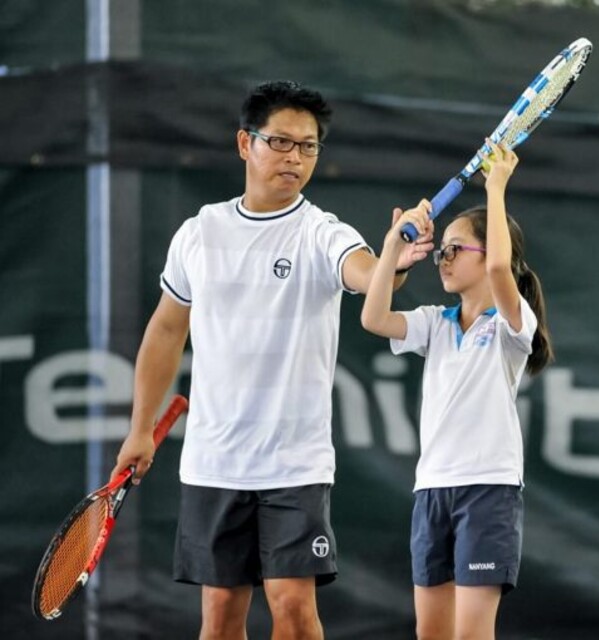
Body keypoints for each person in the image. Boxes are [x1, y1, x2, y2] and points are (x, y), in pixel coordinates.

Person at [110, 80, 431, 640]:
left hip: (294, 463)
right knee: (219, 615)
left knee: (293, 609)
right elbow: (165, 329)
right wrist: (140, 429)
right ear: (245, 143)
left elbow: (364, 272)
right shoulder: (198, 234)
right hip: (215, 460)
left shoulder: (323, 233)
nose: (295, 158)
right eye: (281, 142)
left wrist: (393, 262)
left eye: (308, 147)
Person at [360, 140, 553, 640]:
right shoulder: (435, 323)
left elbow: (498, 269)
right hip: (431, 490)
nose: (442, 259)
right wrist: (392, 250)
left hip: (488, 491)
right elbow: (373, 317)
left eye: (454, 249)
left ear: (490, 255)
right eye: (440, 251)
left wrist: (496, 188)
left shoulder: (512, 325)